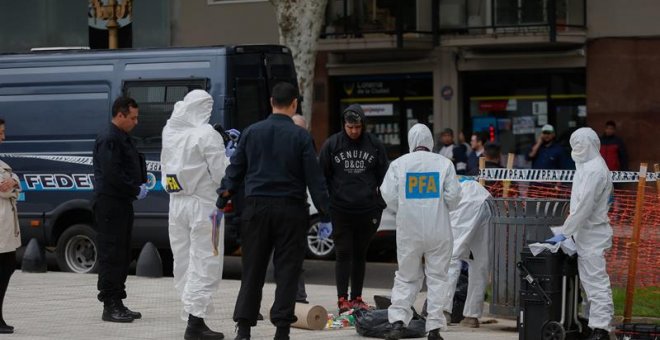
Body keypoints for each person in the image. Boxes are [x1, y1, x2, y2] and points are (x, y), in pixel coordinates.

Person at [217, 82, 331, 340]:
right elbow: (315, 178)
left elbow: (236, 169)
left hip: (256, 208)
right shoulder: (301, 136)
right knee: (288, 270)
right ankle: (281, 331)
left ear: (271, 102)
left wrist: (225, 195)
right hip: (290, 210)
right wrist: (326, 212)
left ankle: (244, 329)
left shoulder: (251, 132)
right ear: (294, 104)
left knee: (253, 269)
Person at [161, 90, 233, 340]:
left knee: (183, 259)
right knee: (206, 259)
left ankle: (189, 310)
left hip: (176, 205)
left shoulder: (169, 130)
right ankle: (195, 321)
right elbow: (220, 173)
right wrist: (229, 153)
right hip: (205, 208)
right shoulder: (206, 134)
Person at [380, 123, 462, 340]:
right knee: (438, 278)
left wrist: (405, 207)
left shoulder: (399, 164)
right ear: (430, 142)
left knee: (406, 277)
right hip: (438, 231)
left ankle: (398, 321)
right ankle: (434, 328)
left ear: (411, 142)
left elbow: (387, 195)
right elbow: (454, 198)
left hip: (409, 231)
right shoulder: (444, 164)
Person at [319, 103, 389, 313]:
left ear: (363, 125)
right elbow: (321, 176)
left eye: (357, 127)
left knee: (360, 254)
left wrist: (379, 205)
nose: (354, 131)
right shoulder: (332, 144)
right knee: (343, 253)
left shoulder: (375, 145)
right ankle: (342, 300)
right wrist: (326, 206)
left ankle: (356, 298)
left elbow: (385, 176)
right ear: (344, 125)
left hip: (367, 210)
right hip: (341, 209)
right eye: (350, 127)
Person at [545, 127, 614, 340]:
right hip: (584, 233)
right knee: (587, 282)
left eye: (580, 145)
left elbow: (585, 206)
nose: (577, 149)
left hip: (593, 233)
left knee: (595, 281)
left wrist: (564, 232)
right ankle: (590, 323)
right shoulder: (585, 165)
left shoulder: (594, 169)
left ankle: (601, 328)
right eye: (574, 145)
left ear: (591, 144)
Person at [92, 96, 148, 323]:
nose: (136, 122)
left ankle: (118, 299)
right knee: (111, 253)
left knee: (123, 253)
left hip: (122, 202)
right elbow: (112, 173)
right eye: (132, 117)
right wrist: (134, 188)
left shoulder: (122, 137)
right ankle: (109, 304)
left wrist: (140, 183)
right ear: (120, 115)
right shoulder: (109, 138)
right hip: (110, 204)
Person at [437, 178, 491, 328]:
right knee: (480, 261)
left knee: (451, 256)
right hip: (485, 199)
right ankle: (472, 315)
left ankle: (443, 312)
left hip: (465, 199)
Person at [0, 118, 20, 334]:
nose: (3, 137)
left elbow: (14, 181)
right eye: (1, 133)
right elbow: (4, 189)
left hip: (5, 226)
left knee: (8, 266)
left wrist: (14, 181)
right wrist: (13, 184)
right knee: (4, 268)